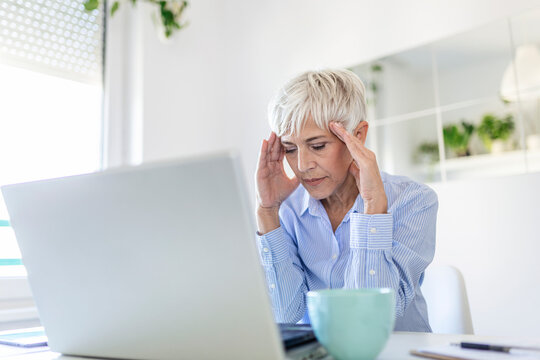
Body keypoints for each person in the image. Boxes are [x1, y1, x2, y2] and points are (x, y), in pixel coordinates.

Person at [254, 69, 438, 332]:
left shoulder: (414, 201)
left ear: (358, 136)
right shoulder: (287, 211)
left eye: (317, 146)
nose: (302, 165)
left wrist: (373, 208)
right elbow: (285, 313)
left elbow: (370, 317)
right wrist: (267, 211)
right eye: (291, 149)